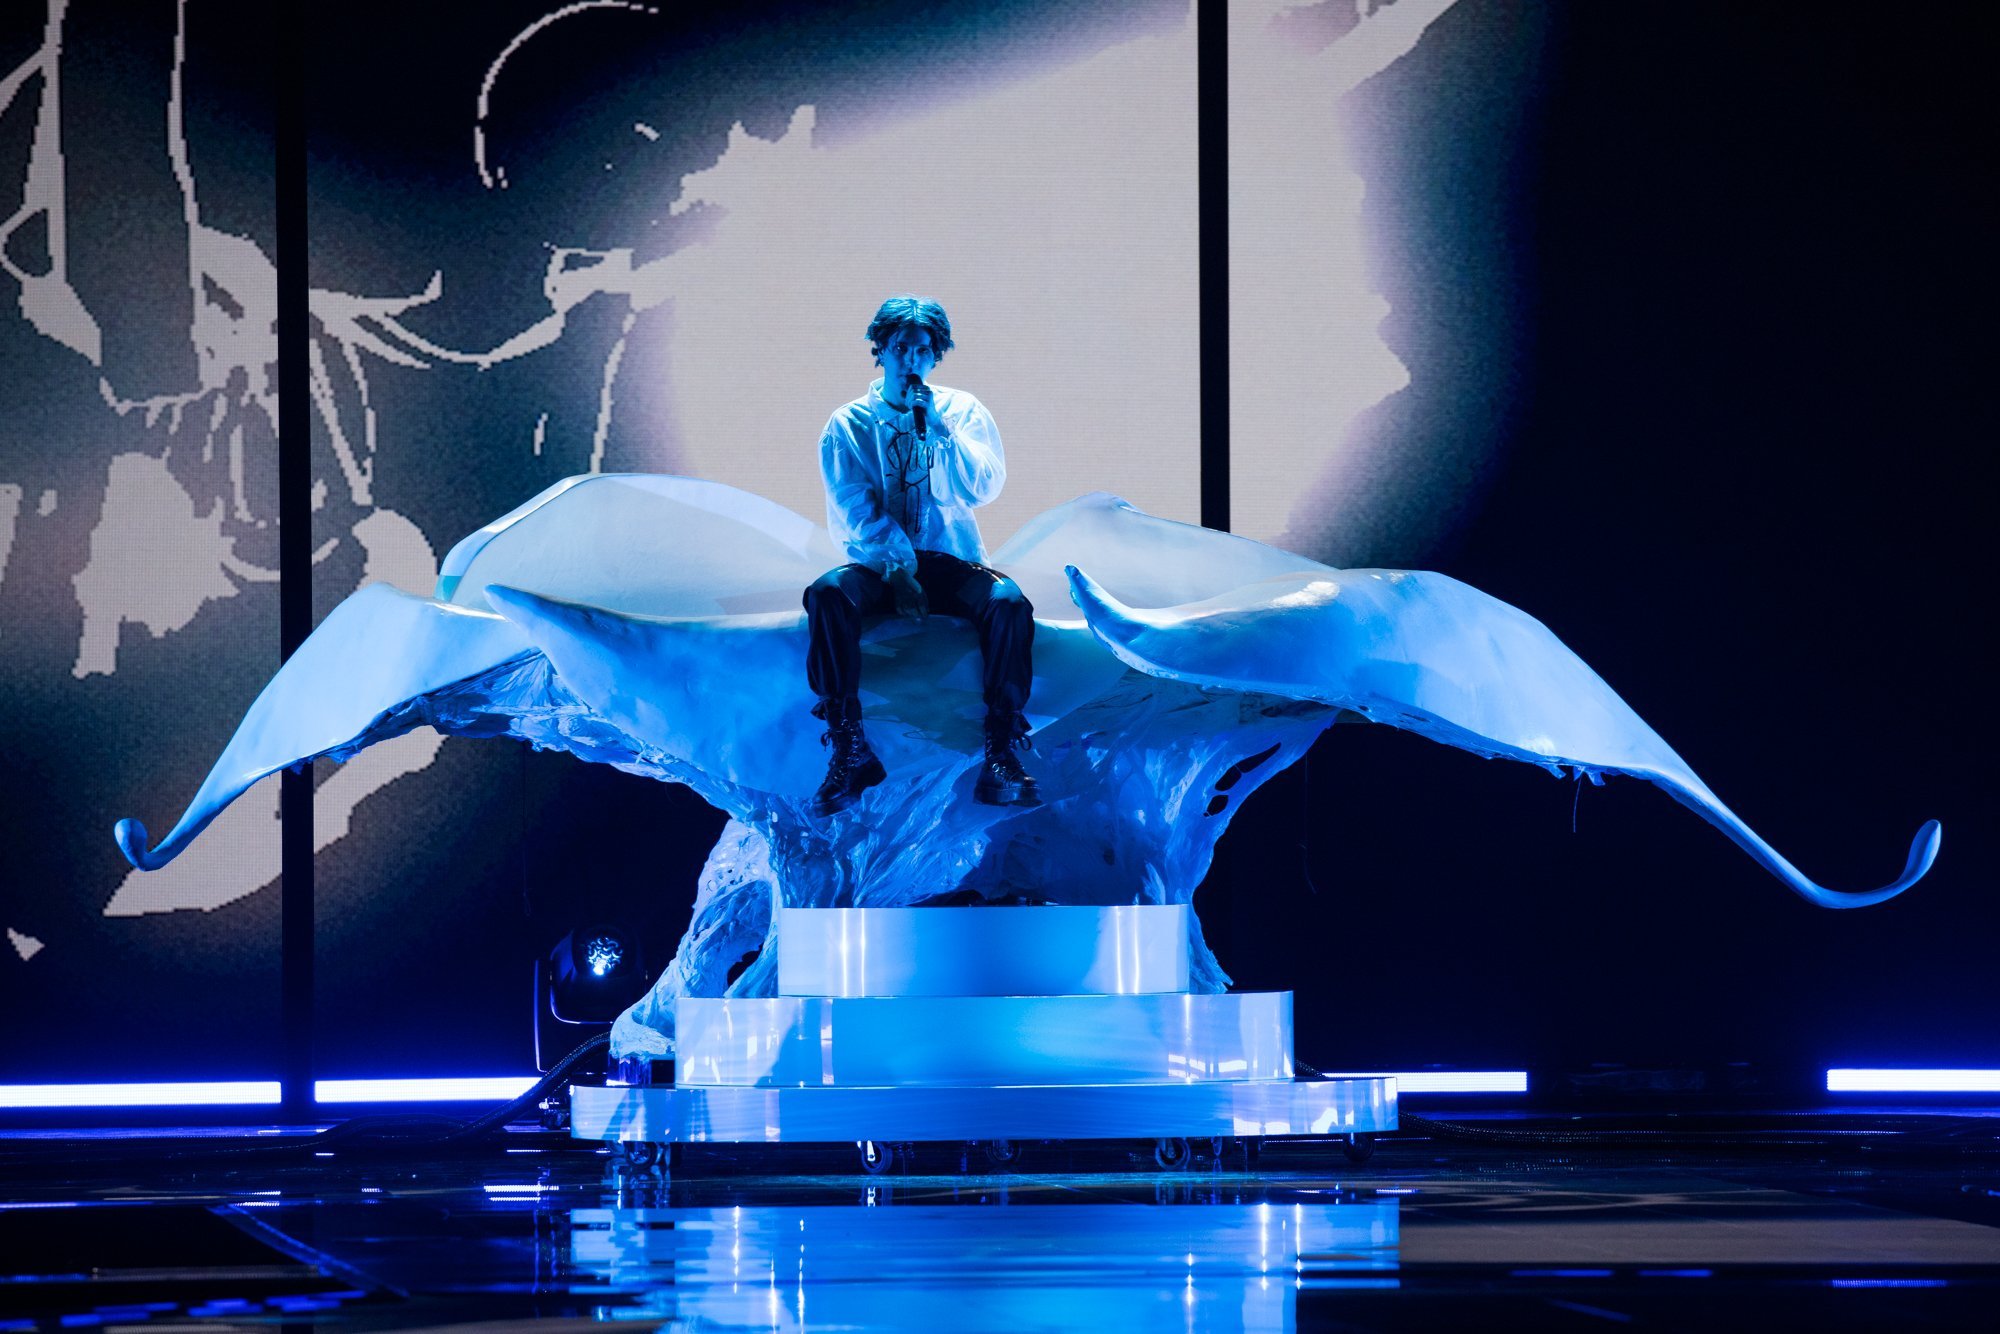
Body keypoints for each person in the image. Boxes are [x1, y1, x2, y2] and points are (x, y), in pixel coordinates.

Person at [804, 295, 1039, 817]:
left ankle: (1001, 750)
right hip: (879, 565)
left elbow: (982, 487)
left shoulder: (962, 411)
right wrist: (898, 571)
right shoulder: (848, 423)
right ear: (880, 349)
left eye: (923, 350)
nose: (912, 360)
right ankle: (848, 747)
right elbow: (853, 506)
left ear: (937, 354)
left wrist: (939, 428)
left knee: (1007, 602)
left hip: (950, 560)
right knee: (827, 593)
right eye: (901, 347)